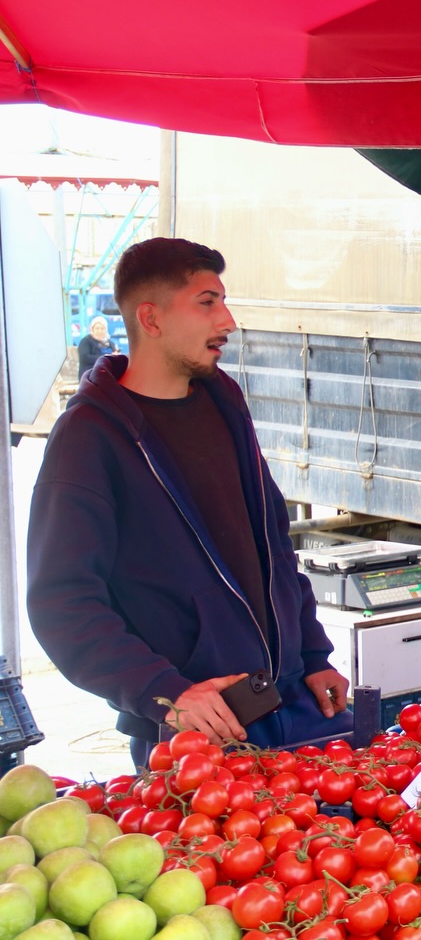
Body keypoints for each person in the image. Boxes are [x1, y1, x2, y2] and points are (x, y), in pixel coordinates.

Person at [28, 237, 351, 767]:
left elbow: (273, 548)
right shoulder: (90, 438)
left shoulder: (224, 403)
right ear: (150, 319)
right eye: (207, 302)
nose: (227, 320)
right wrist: (166, 692)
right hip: (195, 734)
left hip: (290, 701)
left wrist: (312, 654)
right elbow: (62, 604)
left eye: (223, 301)